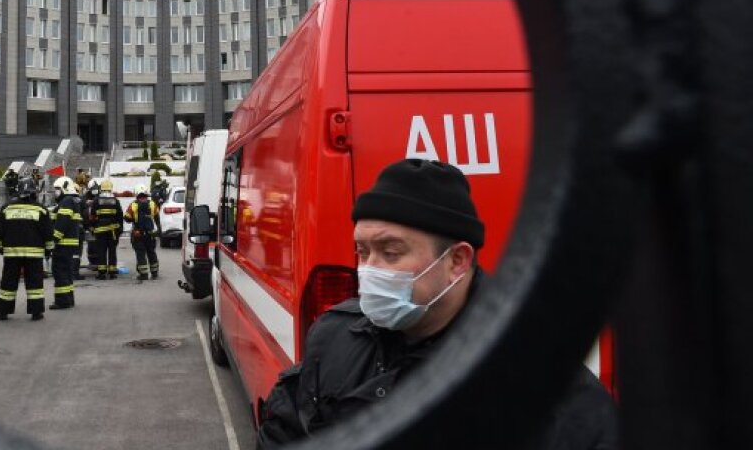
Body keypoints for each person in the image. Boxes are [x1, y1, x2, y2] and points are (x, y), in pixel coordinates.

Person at [255, 159, 618, 449]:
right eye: (362, 251)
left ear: (456, 261)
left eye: (390, 252)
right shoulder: (334, 335)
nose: (368, 270)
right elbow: (285, 431)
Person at [0, 180, 53, 321]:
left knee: (8, 282)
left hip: (11, 253)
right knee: (34, 283)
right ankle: (36, 312)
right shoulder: (41, 209)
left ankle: (3, 311)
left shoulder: (6, 208)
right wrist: (48, 250)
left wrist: (0, 247)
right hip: (34, 254)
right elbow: (48, 233)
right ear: (33, 192)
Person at [49, 176, 83, 309]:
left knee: (60, 272)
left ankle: (62, 301)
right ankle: (69, 299)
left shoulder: (67, 201)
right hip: (70, 244)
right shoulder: (72, 201)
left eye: (57, 189)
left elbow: (62, 223)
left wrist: (54, 240)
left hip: (62, 244)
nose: (55, 192)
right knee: (67, 272)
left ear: (65, 188)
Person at [124, 184, 162, 280]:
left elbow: (127, 218)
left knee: (140, 254)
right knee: (151, 253)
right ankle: (154, 272)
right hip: (150, 234)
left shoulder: (133, 205)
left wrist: (133, 220)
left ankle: (143, 274)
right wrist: (159, 229)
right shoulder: (152, 204)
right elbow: (157, 217)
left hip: (138, 234)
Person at [91, 180, 123, 279]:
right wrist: (120, 229)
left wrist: (92, 228)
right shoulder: (115, 200)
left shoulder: (96, 200)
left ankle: (102, 273)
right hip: (113, 231)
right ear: (110, 188)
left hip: (100, 231)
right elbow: (120, 216)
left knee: (101, 251)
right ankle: (112, 272)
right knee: (112, 251)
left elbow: (92, 216)